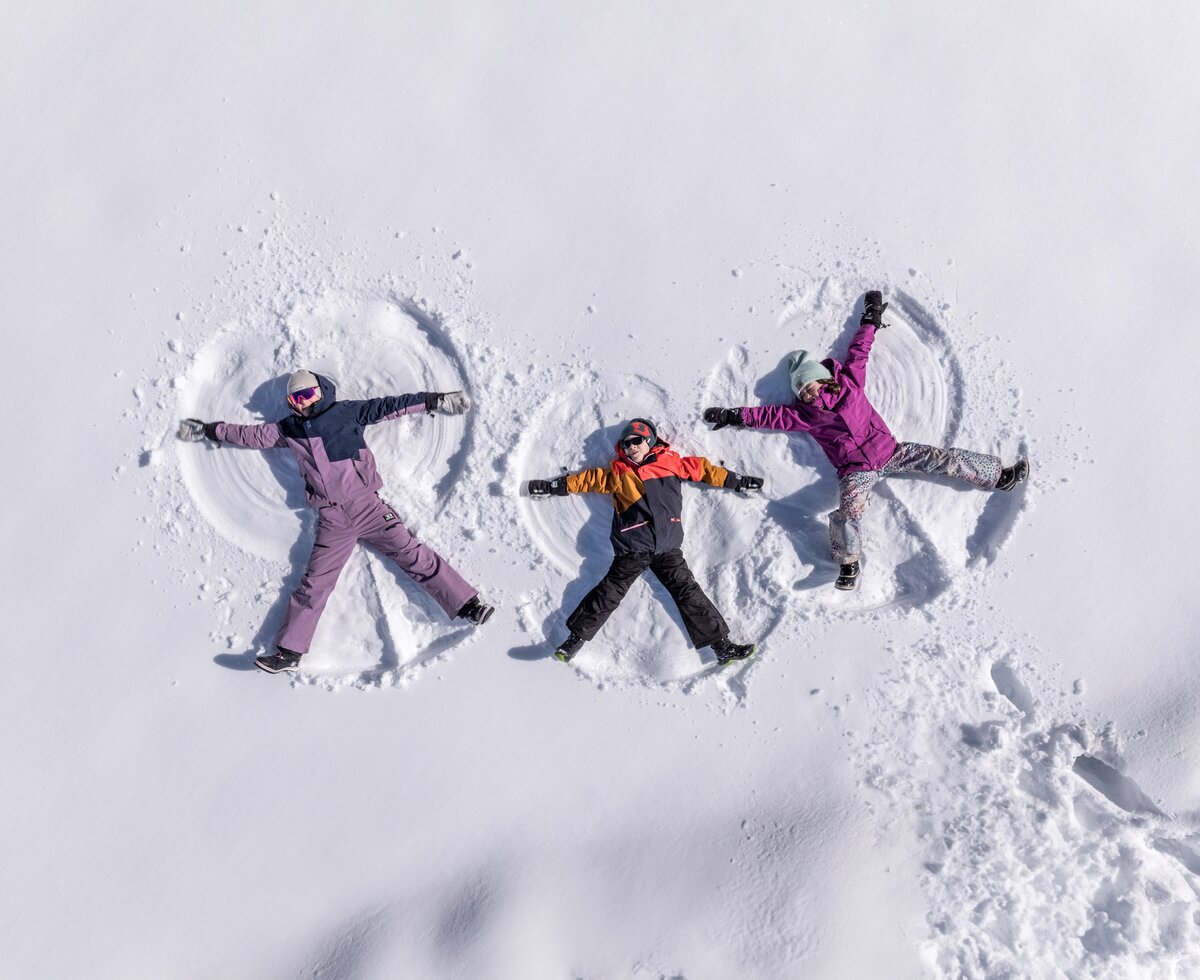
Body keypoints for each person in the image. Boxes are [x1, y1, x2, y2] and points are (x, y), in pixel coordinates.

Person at [704, 290, 1029, 591]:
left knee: (943, 460)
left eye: (810, 386)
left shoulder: (850, 382)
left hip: (892, 452)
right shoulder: (804, 414)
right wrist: (733, 416)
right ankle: (848, 563)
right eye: (802, 392)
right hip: (855, 470)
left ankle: (999, 476)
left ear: (822, 378)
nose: (808, 394)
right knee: (849, 510)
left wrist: (870, 320)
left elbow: (859, 351)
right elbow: (770, 416)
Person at [178, 370, 494, 673]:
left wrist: (433, 400)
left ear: (320, 391)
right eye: (295, 398)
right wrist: (209, 430)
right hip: (333, 521)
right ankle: (289, 653)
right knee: (315, 583)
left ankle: (468, 605)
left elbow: (389, 406)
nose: (301, 401)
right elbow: (251, 435)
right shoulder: (289, 429)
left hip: (369, 509)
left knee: (413, 554)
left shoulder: (345, 413)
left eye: (306, 394)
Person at [527, 418, 761, 666]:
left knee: (688, 592)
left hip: (667, 547)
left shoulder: (671, 462)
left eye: (636, 441)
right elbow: (587, 480)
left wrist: (738, 481)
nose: (631, 447)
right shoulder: (618, 472)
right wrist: (553, 486)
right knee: (608, 593)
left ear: (649, 441)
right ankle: (573, 642)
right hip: (633, 547)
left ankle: (721, 647)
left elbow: (706, 471)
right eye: (626, 444)